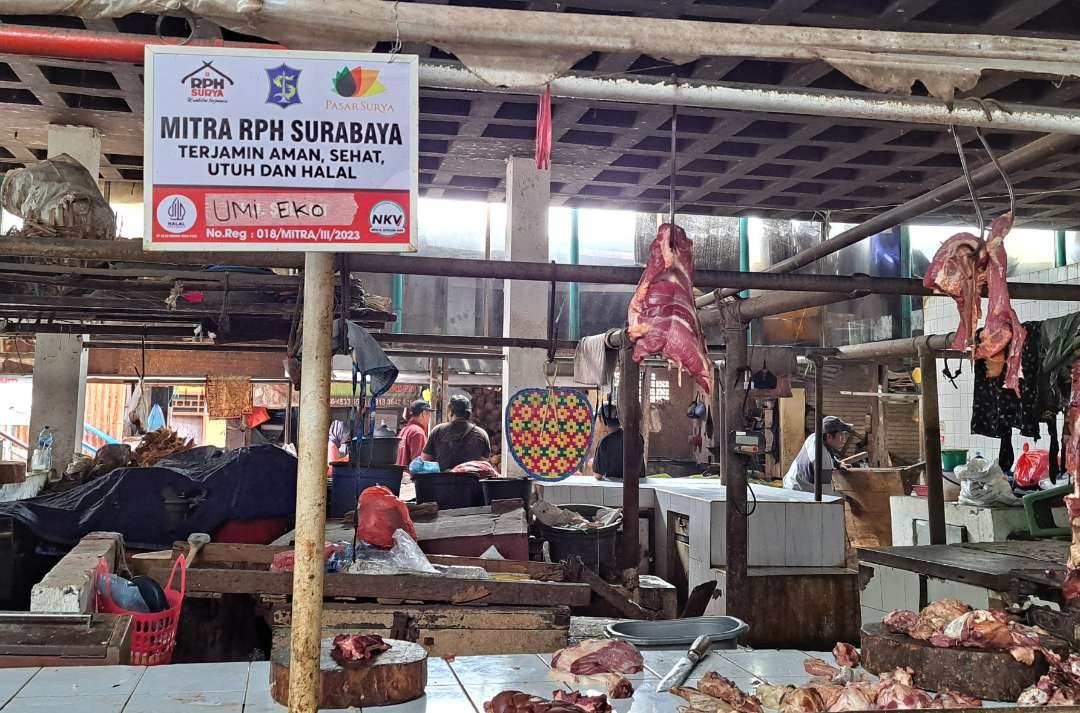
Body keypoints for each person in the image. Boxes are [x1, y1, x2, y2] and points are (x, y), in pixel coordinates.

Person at [782, 415, 855, 493]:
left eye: (844, 434)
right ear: (829, 436)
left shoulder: (814, 437)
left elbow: (830, 455)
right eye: (841, 435)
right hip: (800, 491)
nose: (844, 439)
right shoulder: (821, 459)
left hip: (791, 482)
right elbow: (826, 491)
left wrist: (837, 463)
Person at [422, 394, 491, 471]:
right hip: (471, 482)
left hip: (442, 481)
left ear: (451, 411)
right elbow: (483, 465)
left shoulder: (438, 430)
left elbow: (425, 461)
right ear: (469, 413)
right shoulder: (482, 434)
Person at [592, 403, 644, 480]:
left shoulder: (605, 442)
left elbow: (598, 475)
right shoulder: (637, 436)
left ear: (601, 419)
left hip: (616, 488)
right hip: (639, 486)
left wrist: (592, 463)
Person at [396, 399, 433, 466]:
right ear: (423, 414)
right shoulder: (417, 432)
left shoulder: (404, 430)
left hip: (400, 475)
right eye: (429, 415)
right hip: (410, 475)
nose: (429, 419)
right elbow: (419, 465)